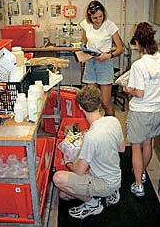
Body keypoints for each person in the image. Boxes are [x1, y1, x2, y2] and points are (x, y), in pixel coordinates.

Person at [53, 85, 125, 219]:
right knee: (64, 195)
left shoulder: (91, 137)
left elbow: (79, 171)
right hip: (115, 177)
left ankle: (94, 204)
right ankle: (109, 193)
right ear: (99, 103)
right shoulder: (113, 120)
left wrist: (68, 162)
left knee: (58, 179)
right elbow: (122, 149)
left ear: (80, 107)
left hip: (104, 183)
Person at [123, 22, 160, 197]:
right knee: (148, 143)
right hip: (158, 110)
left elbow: (139, 93)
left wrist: (127, 89)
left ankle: (138, 185)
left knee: (136, 146)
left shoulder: (139, 65)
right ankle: (142, 173)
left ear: (137, 42)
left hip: (140, 111)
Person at [80, 0, 124, 116]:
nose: (98, 20)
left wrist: (108, 55)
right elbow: (84, 40)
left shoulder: (110, 26)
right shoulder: (86, 24)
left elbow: (120, 48)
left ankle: (111, 127)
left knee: (105, 102)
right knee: (91, 102)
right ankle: (95, 128)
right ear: (90, 17)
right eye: (95, 18)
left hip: (105, 63)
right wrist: (84, 49)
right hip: (90, 63)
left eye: (101, 16)